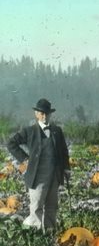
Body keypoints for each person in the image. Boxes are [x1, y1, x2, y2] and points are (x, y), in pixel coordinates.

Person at [6, 98, 70, 232]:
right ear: (36, 114)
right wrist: (24, 159)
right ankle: (35, 235)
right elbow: (11, 144)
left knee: (52, 206)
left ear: (50, 114)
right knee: (36, 207)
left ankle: (50, 234)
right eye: (42, 113)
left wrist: (66, 169)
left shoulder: (57, 131)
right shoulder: (29, 131)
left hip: (54, 175)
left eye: (47, 113)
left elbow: (64, 151)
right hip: (37, 176)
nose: (44, 116)